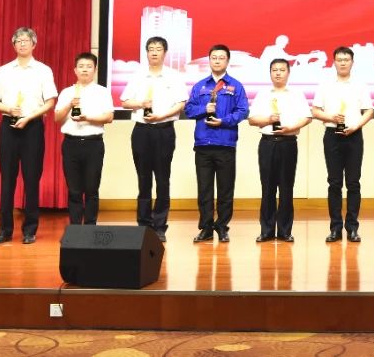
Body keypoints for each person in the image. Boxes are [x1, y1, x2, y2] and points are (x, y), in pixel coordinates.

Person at [0, 27, 58, 245]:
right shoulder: (4, 70)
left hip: (32, 127)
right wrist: (8, 108)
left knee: (31, 179)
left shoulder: (43, 70)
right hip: (9, 127)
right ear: (13, 45)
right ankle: (5, 230)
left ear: (34, 44)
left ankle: (30, 230)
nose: (22, 44)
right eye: (18, 41)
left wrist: (28, 117)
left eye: (26, 40)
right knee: (7, 179)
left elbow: (50, 103)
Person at [119, 37, 187, 242]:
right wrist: (141, 104)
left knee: (163, 179)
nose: (154, 52)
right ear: (146, 52)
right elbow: (124, 102)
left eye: (158, 49)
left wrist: (162, 116)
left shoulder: (173, 76)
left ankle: (159, 226)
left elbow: (181, 103)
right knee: (143, 179)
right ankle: (144, 224)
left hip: (164, 130)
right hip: (141, 131)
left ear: (165, 52)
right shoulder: (138, 75)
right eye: (151, 49)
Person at [185, 44, 249, 243]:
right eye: (214, 57)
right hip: (203, 145)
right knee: (204, 190)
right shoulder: (200, 86)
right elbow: (188, 110)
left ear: (227, 61)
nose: (217, 61)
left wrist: (224, 121)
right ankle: (205, 228)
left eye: (221, 58)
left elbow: (243, 111)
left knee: (225, 190)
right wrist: (204, 109)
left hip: (225, 144)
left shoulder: (236, 86)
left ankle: (222, 227)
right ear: (209, 60)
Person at [311, 46, 374, 243]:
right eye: (339, 60)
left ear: (352, 62)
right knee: (334, 182)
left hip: (354, 135)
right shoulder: (325, 85)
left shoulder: (360, 85)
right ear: (334, 62)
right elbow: (315, 111)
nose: (343, 63)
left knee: (353, 183)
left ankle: (352, 228)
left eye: (346, 60)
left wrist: (356, 126)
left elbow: (369, 111)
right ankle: (335, 228)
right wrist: (331, 117)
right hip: (332, 136)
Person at [248, 59, 312, 243]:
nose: (278, 73)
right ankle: (266, 230)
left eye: (282, 70)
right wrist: (268, 120)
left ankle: (285, 231)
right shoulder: (262, 94)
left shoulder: (296, 94)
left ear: (288, 73)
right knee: (267, 188)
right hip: (267, 143)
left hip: (288, 143)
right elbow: (251, 120)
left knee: (286, 187)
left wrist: (291, 127)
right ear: (270, 73)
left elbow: (307, 117)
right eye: (274, 70)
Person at [53, 52, 116, 226]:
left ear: (95, 70)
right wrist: (69, 104)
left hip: (93, 144)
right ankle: (75, 228)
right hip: (71, 144)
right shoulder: (67, 92)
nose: (85, 70)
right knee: (74, 190)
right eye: (81, 66)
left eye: (89, 66)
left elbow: (109, 117)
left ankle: (90, 228)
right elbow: (57, 118)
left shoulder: (102, 92)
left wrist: (87, 118)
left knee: (91, 190)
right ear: (75, 70)